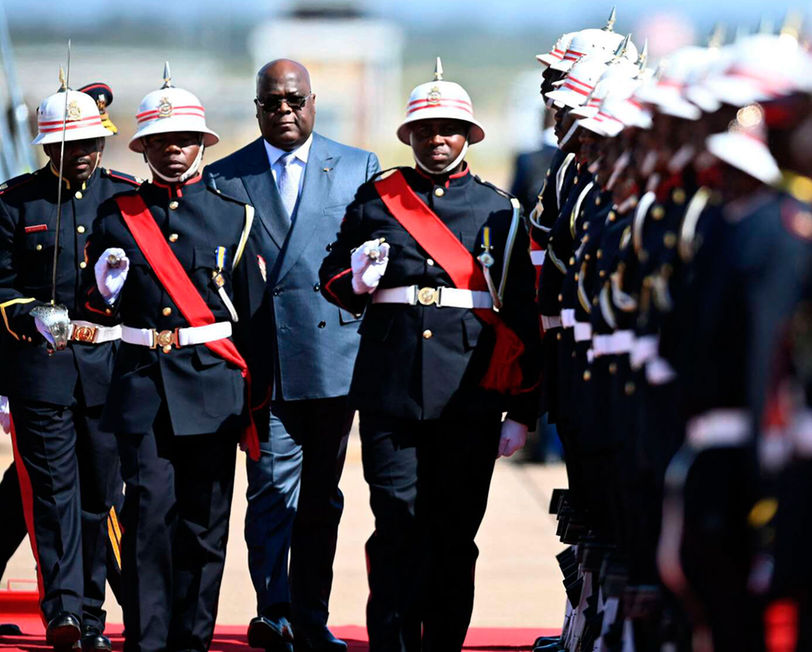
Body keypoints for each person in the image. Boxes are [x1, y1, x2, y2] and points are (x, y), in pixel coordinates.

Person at [318, 58, 541, 652]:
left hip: (469, 392)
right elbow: (332, 279)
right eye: (425, 129)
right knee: (394, 525)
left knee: (454, 533)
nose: (437, 139)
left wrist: (523, 409)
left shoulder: (501, 211)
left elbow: (521, 314)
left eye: (448, 129)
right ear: (409, 135)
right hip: (391, 390)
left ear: (468, 136)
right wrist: (358, 278)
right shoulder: (377, 198)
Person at [80, 65, 266, 652]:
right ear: (144, 147)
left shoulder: (234, 216)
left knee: (205, 527)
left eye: (184, 138)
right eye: (161, 140)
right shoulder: (116, 216)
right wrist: (102, 293)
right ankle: (149, 641)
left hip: (212, 388)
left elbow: (255, 324)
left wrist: (257, 406)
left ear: (202, 143)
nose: (174, 149)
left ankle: (193, 641)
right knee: (147, 521)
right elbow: (95, 313)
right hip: (141, 386)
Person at [206, 58, 380, 652]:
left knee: (321, 499)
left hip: (333, 360)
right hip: (265, 364)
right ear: (257, 108)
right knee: (270, 491)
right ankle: (273, 608)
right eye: (271, 102)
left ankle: (311, 616)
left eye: (294, 99)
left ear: (313, 101)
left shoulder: (358, 167)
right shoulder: (226, 177)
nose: (284, 110)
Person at [0, 79, 136, 651]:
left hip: (107, 366)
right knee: (54, 495)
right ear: (47, 147)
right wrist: (32, 316)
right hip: (41, 368)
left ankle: (94, 614)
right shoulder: (13, 202)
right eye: (72, 143)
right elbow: (3, 289)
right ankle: (65, 616)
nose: (86, 152)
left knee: (99, 497)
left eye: (93, 142)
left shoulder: (124, 196)